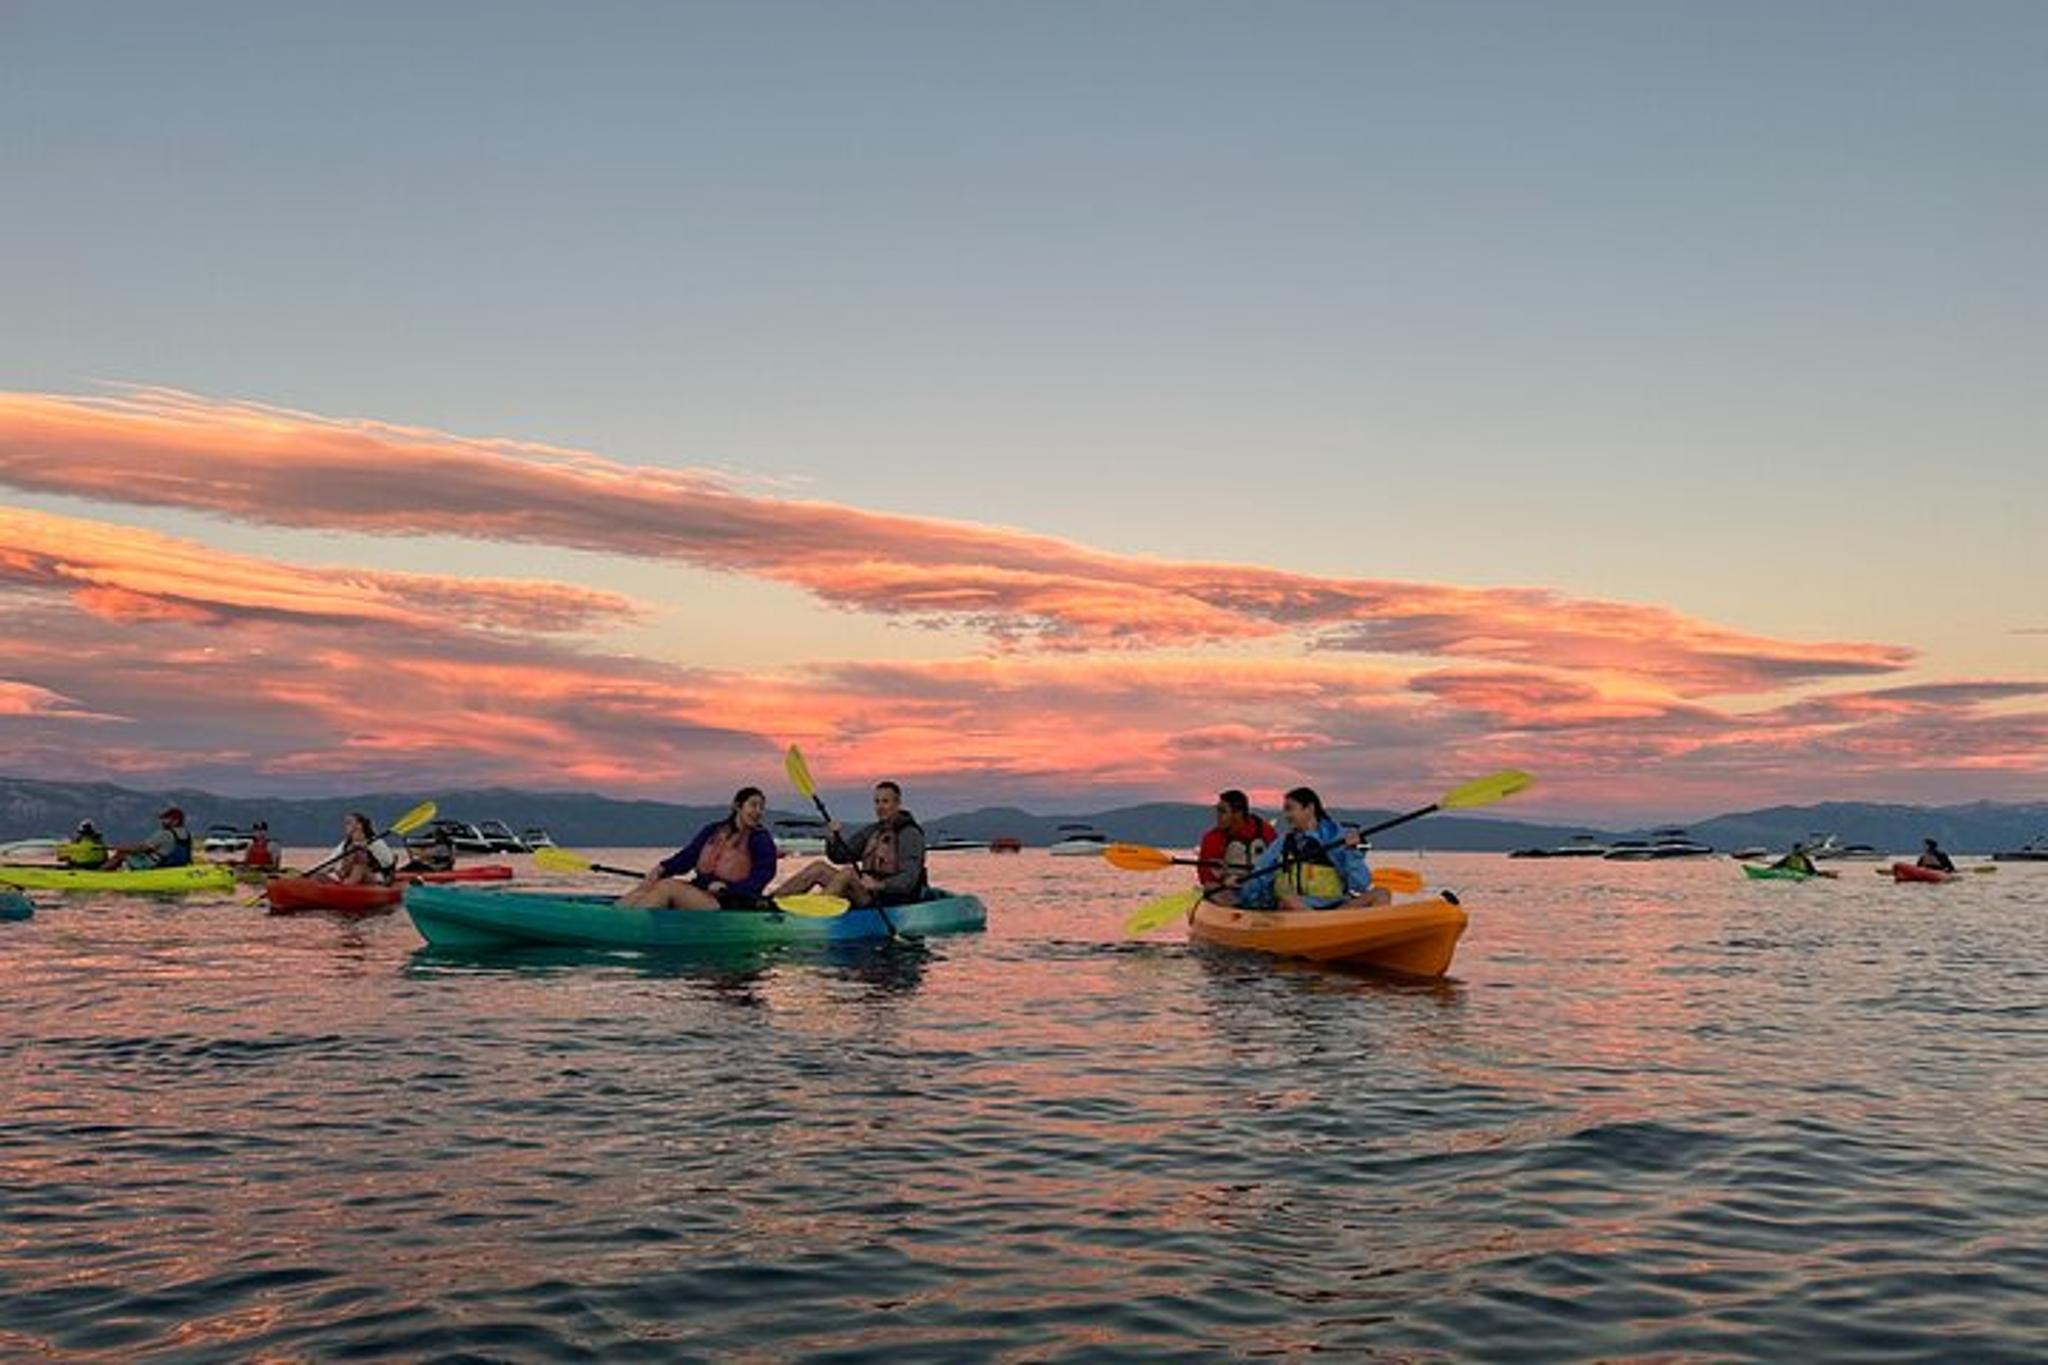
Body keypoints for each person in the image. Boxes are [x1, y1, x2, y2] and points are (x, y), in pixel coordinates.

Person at [770, 781, 929, 907]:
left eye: (885, 801)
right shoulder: (873, 831)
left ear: (898, 803)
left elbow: (909, 879)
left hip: (892, 899)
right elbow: (841, 856)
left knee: (849, 873)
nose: (880, 807)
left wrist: (879, 885)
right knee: (819, 868)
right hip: (868, 893)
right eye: (877, 802)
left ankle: (815, 912)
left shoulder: (910, 834)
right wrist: (833, 838)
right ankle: (769, 903)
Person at [619, 786, 778, 910]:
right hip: (702, 892)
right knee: (649, 886)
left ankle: (632, 925)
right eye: (753, 805)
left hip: (731, 901)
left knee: (668, 887)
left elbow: (763, 874)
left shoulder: (761, 839)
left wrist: (730, 888)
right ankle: (617, 917)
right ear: (737, 806)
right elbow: (688, 857)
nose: (758, 811)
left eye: (761, 807)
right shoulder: (713, 830)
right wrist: (662, 869)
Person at [1234, 786, 1386, 911]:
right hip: (1298, 910)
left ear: (1309, 808)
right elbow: (1259, 876)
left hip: (1336, 910)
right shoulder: (1282, 843)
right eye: (1285, 810)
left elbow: (1360, 885)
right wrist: (1242, 894)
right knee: (1288, 900)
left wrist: (1352, 852)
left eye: (1290, 809)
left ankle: (1365, 935)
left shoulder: (1337, 837)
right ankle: (1322, 928)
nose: (1286, 815)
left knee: (1381, 894)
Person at [1197, 789, 1276, 902]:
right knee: (1211, 887)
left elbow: (1278, 861)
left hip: (1262, 887)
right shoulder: (1212, 838)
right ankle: (1237, 908)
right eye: (1218, 810)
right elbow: (1205, 875)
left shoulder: (1265, 831)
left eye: (1223, 811)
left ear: (1238, 814)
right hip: (1230, 889)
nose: (1218, 815)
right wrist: (1224, 880)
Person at [321, 812, 398, 885]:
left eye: (349, 822)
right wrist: (318, 871)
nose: (345, 825)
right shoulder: (346, 843)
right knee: (353, 850)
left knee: (359, 853)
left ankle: (348, 883)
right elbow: (331, 860)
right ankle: (344, 880)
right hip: (348, 873)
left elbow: (389, 862)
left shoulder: (375, 842)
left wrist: (370, 847)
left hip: (373, 875)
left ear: (359, 825)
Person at [108, 807, 193, 870]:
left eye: (166, 819)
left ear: (176, 821)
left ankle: (103, 875)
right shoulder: (186, 834)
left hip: (158, 865)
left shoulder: (165, 834)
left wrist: (118, 848)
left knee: (121, 854)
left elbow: (142, 848)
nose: (162, 821)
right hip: (179, 865)